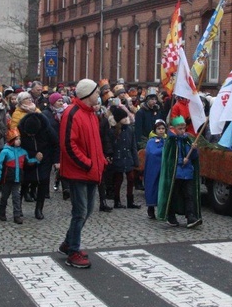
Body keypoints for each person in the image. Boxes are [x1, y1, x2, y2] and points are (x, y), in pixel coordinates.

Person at [57, 78, 107, 269]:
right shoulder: (73, 113)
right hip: (79, 172)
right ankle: (73, 251)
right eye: (96, 92)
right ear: (87, 94)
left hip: (90, 171)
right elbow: (69, 144)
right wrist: (87, 164)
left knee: (87, 211)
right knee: (80, 212)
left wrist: (99, 161)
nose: (99, 95)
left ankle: (69, 243)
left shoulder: (90, 113)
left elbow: (95, 142)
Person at [156, 116, 202, 228]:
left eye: (183, 128)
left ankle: (191, 217)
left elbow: (194, 157)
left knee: (189, 195)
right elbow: (169, 158)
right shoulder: (171, 141)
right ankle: (171, 216)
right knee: (173, 195)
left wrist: (194, 150)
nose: (182, 131)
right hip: (175, 174)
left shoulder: (187, 140)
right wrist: (182, 160)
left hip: (188, 174)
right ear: (174, 129)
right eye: (180, 129)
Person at [0, 127, 43, 224]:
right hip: (7, 179)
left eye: (19, 139)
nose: (19, 141)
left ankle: (16, 215)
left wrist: (37, 160)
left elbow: (28, 162)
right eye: (17, 139)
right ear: (12, 140)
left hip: (17, 179)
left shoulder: (23, 152)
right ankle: (2, 213)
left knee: (16, 197)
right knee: (4, 196)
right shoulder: (5, 152)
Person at [18, 110, 58, 220]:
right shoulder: (21, 128)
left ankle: (39, 209)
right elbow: (18, 146)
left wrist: (56, 161)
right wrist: (32, 154)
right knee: (25, 182)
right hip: (28, 158)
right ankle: (18, 207)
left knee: (43, 182)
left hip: (45, 159)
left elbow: (55, 144)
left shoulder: (47, 129)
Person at [109, 105, 141, 209]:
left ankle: (130, 201)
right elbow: (111, 146)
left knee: (131, 178)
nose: (126, 119)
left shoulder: (130, 129)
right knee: (118, 180)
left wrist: (136, 160)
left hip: (128, 157)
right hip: (118, 158)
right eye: (124, 117)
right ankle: (117, 200)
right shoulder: (113, 131)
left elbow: (133, 146)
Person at [143, 119, 167, 219]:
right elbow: (152, 152)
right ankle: (151, 208)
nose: (161, 130)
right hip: (153, 169)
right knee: (152, 187)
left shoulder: (167, 140)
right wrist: (164, 149)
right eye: (159, 128)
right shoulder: (151, 141)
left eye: (163, 128)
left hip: (163, 168)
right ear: (155, 129)